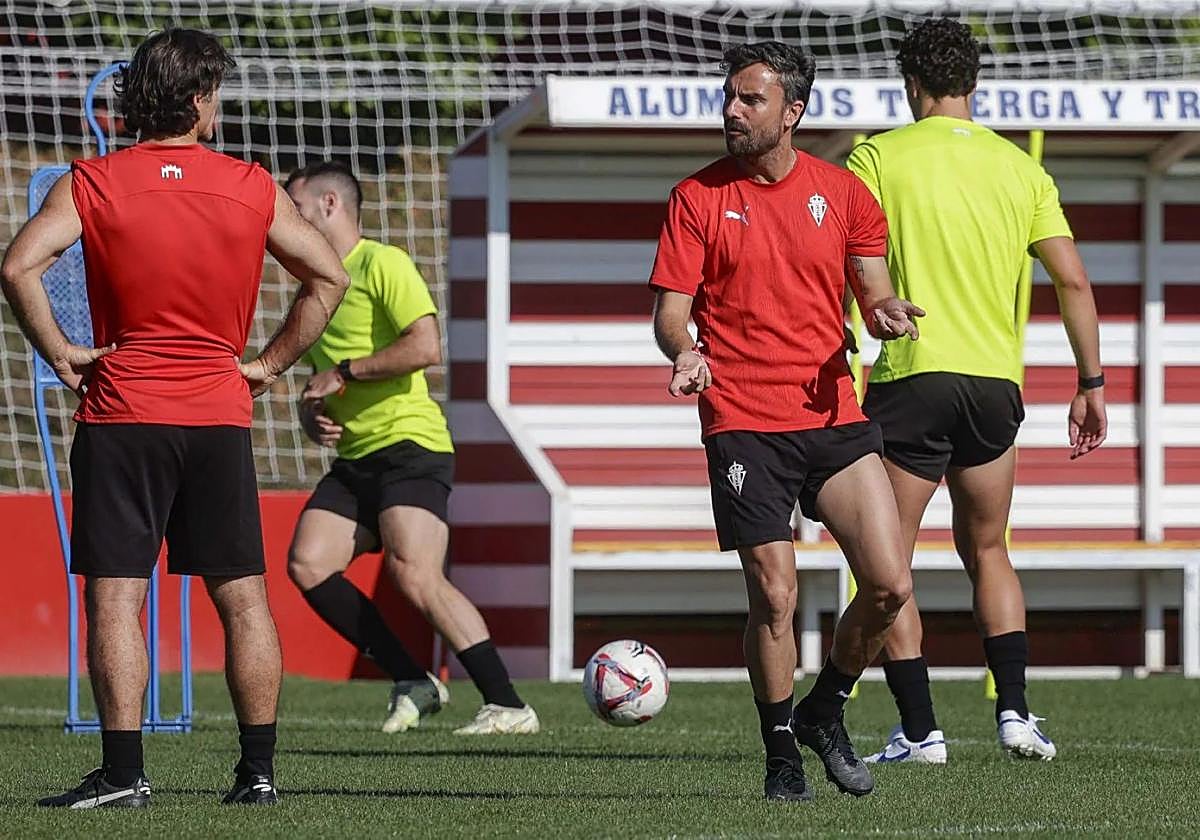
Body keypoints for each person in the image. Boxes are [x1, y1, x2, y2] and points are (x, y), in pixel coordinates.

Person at [1, 29, 349, 808]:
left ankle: (124, 777)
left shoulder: (92, 183)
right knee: (243, 597)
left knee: (117, 597)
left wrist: (60, 351)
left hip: (122, 413)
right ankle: (257, 775)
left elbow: (18, 266)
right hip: (217, 416)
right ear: (197, 101)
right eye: (215, 93)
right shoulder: (251, 185)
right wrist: (265, 365)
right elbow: (329, 275)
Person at [649, 41, 924, 802]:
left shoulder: (843, 194)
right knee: (774, 595)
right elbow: (671, 314)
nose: (732, 111)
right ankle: (779, 752)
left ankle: (825, 707)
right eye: (729, 97)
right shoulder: (696, 198)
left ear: (793, 112)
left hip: (832, 413)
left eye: (750, 100)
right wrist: (686, 351)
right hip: (741, 418)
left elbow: (872, 289)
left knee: (890, 584)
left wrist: (885, 309)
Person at [848, 18, 1107, 765]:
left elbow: (854, 266)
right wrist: (1090, 382)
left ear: (911, 84)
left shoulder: (878, 156)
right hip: (996, 386)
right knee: (988, 548)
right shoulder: (1019, 168)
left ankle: (921, 729)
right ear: (973, 82)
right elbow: (1073, 280)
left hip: (913, 375)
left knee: (887, 562)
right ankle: (1016, 715)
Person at [283, 161, 539, 736]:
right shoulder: (316, 286)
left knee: (415, 572)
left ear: (329, 206)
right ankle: (412, 680)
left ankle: (507, 704)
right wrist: (310, 415)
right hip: (355, 458)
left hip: (410, 446)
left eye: (295, 209)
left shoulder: (382, 263)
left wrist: (346, 372)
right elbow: (319, 383)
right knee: (308, 563)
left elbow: (426, 347)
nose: (287, 222)